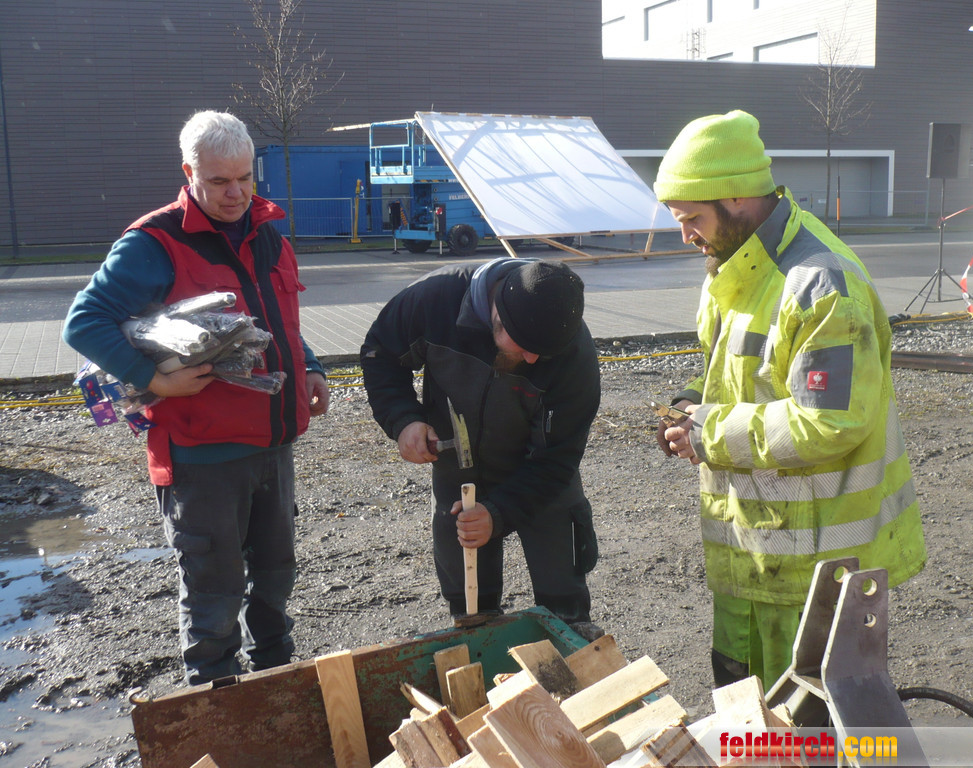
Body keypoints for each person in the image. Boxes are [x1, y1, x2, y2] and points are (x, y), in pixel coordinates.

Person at [652, 110, 927, 690]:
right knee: (744, 710)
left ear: (737, 197)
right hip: (754, 556)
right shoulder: (736, 267)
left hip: (816, 573)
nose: (686, 235)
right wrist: (690, 402)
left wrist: (708, 432)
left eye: (693, 218)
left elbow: (829, 422)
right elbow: (734, 370)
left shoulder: (822, 286)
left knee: (805, 722)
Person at [63, 110, 330, 685]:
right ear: (189, 173)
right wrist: (154, 380)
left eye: (245, 178)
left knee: (276, 578)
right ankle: (216, 701)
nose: (236, 194)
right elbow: (84, 322)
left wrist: (309, 366)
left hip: (272, 445)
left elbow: (277, 319)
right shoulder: (155, 242)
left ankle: (277, 683)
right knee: (214, 592)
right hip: (201, 456)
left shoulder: (267, 232)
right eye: (219, 181)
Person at [360, 257, 601, 634]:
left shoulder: (571, 348)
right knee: (471, 604)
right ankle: (478, 639)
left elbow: (558, 459)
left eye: (543, 352)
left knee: (563, 600)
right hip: (458, 473)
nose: (534, 359)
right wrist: (403, 420)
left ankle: (570, 638)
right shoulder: (435, 299)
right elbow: (381, 353)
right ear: (497, 316)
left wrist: (499, 513)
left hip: (542, 477)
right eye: (526, 346)